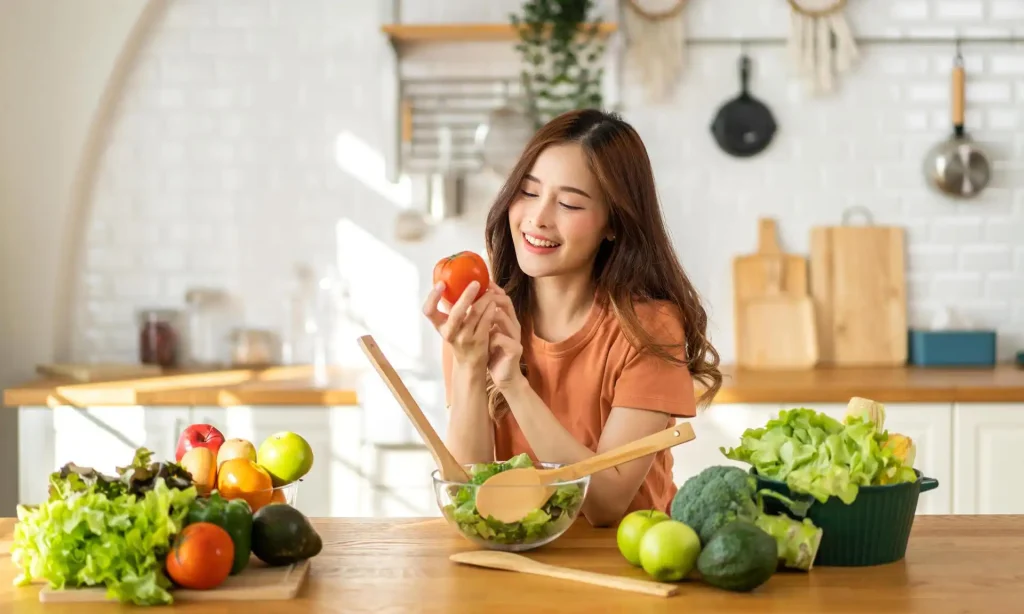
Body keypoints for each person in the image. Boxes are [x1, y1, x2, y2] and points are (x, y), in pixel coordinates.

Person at [422, 108, 722, 527]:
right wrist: (471, 366)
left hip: (627, 563)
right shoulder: (482, 320)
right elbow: (466, 497)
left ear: (613, 224)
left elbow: (605, 504)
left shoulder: (648, 329)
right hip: (518, 558)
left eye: (568, 203)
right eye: (527, 192)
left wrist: (513, 384)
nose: (538, 217)